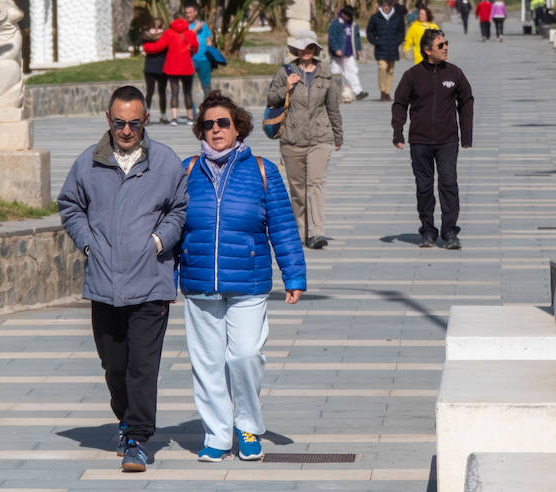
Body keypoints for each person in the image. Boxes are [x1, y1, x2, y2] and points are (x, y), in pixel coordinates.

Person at [56, 86, 189, 473]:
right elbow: (70, 205)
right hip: (104, 284)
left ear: (146, 120)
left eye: (134, 123)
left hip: (150, 282)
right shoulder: (88, 163)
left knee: (142, 367)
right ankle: (126, 419)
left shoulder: (165, 162)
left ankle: (137, 439)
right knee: (114, 366)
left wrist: (159, 240)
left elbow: (179, 210)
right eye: (119, 123)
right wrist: (87, 245)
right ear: (108, 120)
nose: (126, 130)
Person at [179, 91, 306, 463]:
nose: (215, 130)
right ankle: (217, 434)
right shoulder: (188, 171)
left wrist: (293, 275)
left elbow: (282, 226)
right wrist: (165, 278)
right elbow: (172, 226)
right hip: (200, 281)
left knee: (246, 355)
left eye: (223, 123)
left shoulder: (262, 170)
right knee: (207, 363)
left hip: (249, 281)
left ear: (238, 128)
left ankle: (247, 425)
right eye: (208, 124)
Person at [392, 29, 474, 250]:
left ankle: (449, 232)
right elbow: (400, 103)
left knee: (448, 184)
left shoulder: (455, 73)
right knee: (424, 187)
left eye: (446, 43)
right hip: (420, 141)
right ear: (427, 50)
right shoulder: (412, 76)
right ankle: (428, 230)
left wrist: (466, 135)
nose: (446, 47)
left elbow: (466, 101)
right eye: (440, 45)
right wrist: (398, 132)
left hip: (448, 141)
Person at [267, 30, 342, 249]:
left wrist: (338, 135)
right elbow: (271, 98)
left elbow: (333, 108)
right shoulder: (285, 72)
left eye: (310, 47)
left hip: (320, 137)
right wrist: (286, 87)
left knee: (316, 184)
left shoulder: (325, 74)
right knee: (297, 189)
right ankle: (301, 233)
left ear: (315, 50)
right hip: (292, 138)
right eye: (302, 47)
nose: (306, 51)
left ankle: (317, 232)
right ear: (296, 50)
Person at [143, 16, 198, 124]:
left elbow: (159, 46)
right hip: (187, 66)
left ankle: (174, 118)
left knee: (174, 92)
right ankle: (190, 118)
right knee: (187, 93)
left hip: (173, 67)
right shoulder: (191, 33)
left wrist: (146, 47)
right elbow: (195, 47)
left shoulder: (169, 33)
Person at [366, 0, 406, 101]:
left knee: (391, 70)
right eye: (384, 5)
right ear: (381, 6)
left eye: (388, 5)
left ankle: (388, 92)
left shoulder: (397, 17)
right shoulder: (375, 17)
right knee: (382, 67)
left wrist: (397, 42)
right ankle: (382, 90)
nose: (386, 7)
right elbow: (369, 31)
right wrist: (376, 42)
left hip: (393, 48)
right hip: (380, 48)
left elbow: (401, 31)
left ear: (391, 5)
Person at [327, 5, 367, 101]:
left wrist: (358, 49)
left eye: (351, 16)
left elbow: (356, 38)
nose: (349, 17)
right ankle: (334, 94)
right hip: (337, 55)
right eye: (347, 15)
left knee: (352, 72)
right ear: (343, 14)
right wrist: (336, 49)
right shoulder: (336, 24)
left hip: (349, 53)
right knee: (336, 73)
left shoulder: (353, 25)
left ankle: (358, 92)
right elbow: (332, 38)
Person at [184, 2, 215, 92]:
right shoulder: (184, 26)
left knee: (206, 87)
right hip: (189, 60)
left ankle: (207, 106)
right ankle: (191, 107)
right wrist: (196, 29)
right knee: (187, 88)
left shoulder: (203, 25)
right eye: (186, 13)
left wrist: (209, 50)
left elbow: (208, 39)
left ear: (195, 12)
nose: (188, 15)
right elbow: (184, 40)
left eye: (190, 12)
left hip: (204, 60)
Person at [141, 18, 168, 122]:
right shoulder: (165, 36)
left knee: (149, 92)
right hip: (162, 67)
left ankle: (146, 117)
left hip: (149, 67)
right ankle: (163, 116)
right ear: (162, 26)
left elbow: (146, 48)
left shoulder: (146, 36)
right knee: (162, 93)